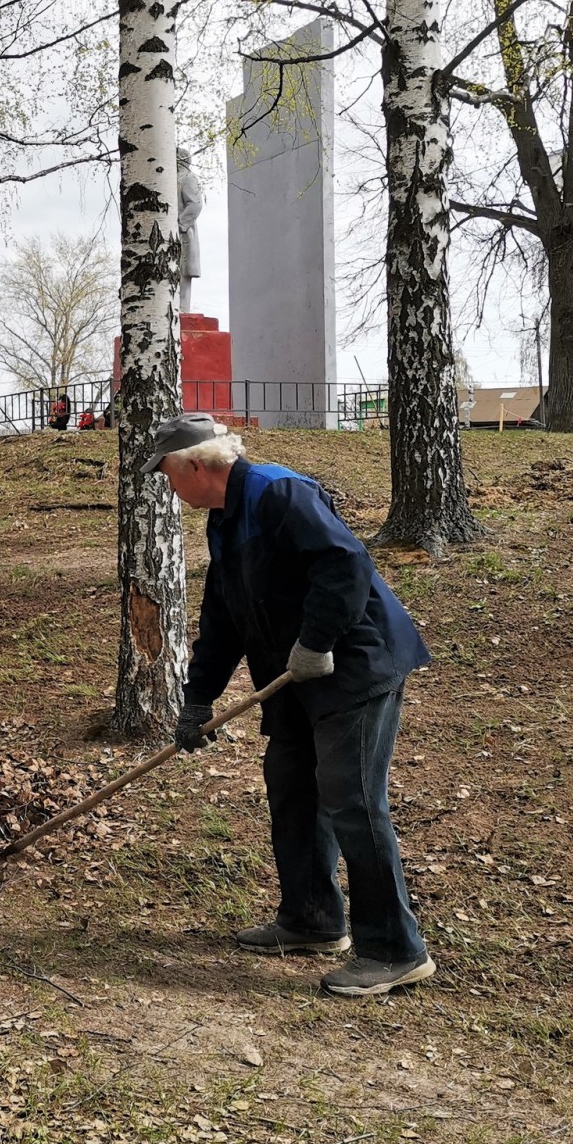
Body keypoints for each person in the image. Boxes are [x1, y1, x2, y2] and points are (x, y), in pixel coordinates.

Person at [146, 411, 435, 998]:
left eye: (169, 475)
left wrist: (318, 641)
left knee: (353, 801)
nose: (169, 488)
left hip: (352, 666)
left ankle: (394, 948)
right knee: (292, 785)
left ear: (197, 466)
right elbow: (221, 619)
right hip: (296, 676)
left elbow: (345, 564)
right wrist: (197, 701)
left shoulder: (280, 492)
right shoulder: (224, 521)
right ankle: (311, 919)